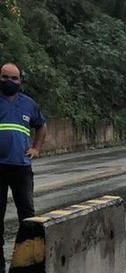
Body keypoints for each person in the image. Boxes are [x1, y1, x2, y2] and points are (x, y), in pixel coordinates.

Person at [0, 63, 47, 272]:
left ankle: (29, 259)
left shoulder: (28, 104)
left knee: (27, 215)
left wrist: (36, 148)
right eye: (5, 77)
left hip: (21, 167)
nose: (9, 81)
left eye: (14, 78)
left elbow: (41, 126)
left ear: (20, 81)